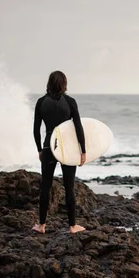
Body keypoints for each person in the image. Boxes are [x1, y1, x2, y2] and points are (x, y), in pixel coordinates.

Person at [32, 71, 87, 234]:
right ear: (64, 83)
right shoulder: (70, 102)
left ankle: (41, 225)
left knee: (45, 187)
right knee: (69, 187)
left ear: (49, 83)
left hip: (49, 148)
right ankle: (72, 226)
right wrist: (83, 151)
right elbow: (78, 127)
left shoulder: (41, 102)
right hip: (67, 149)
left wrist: (40, 149)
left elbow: (36, 129)